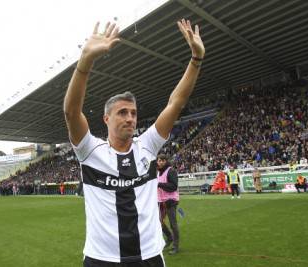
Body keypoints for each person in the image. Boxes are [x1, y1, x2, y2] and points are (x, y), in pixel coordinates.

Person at [64, 19, 204, 266]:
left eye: (133, 113)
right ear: (106, 118)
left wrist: (196, 59)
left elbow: (176, 103)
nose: (130, 118)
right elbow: (71, 112)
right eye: (122, 113)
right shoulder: (90, 151)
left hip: (148, 256)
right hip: (102, 259)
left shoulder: (147, 147)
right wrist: (84, 63)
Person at [157, 154, 180, 255]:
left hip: (170, 201)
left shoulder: (171, 171)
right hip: (160, 201)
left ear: (166, 161)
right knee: (158, 222)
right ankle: (169, 237)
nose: (160, 162)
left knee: (173, 224)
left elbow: (173, 186)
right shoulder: (158, 172)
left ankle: (175, 246)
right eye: (159, 160)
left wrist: (160, 184)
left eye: (163, 160)